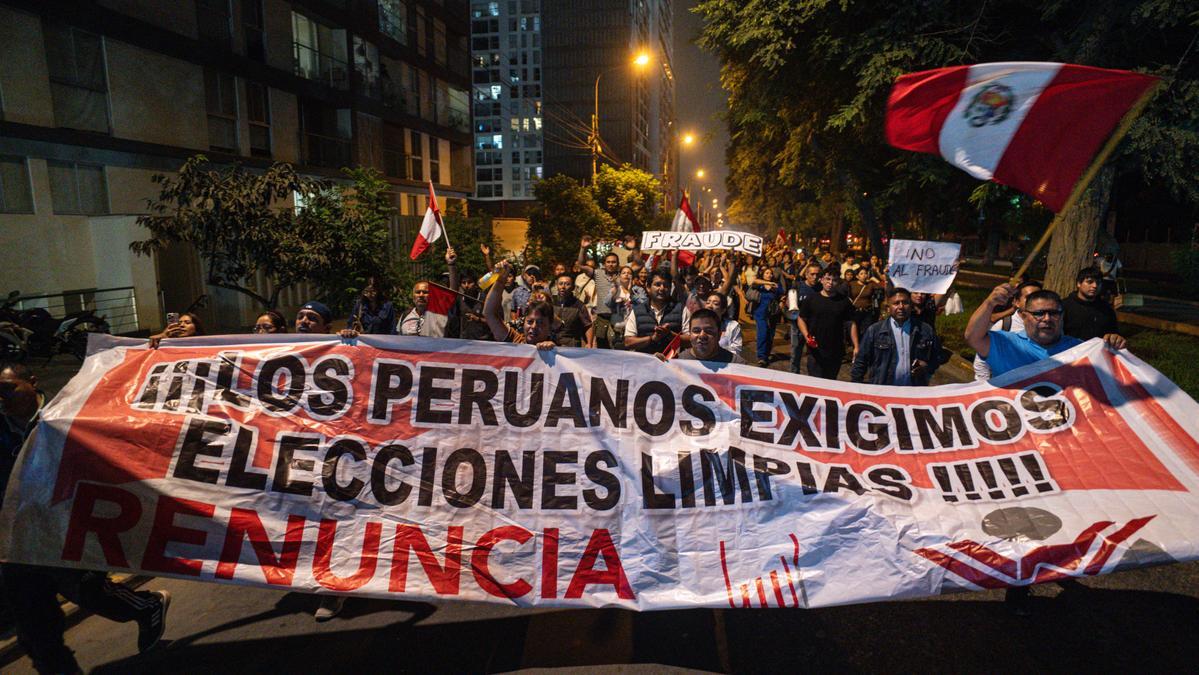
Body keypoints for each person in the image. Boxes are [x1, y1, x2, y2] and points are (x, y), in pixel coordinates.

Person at [1, 362, 172, 671]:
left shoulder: (68, 414)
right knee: (35, 629)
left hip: (69, 523)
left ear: (32, 382)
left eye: (7, 388)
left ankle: (145, 606)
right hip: (20, 539)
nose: (2, 398)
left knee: (86, 589)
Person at [965, 284, 1127, 380]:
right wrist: (989, 303)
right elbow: (973, 337)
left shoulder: (1079, 349)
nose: (1047, 319)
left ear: (1062, 316)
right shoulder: (1005, 344)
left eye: (1054, 313)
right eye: (1039, 313)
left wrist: (1114, 346)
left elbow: (1112, 375)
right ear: (1024, 316)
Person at [851, 288, 943, 385]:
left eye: (905, 303)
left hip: (914, 390)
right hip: (883, 390)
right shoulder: (874, 331)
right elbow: (860, 362)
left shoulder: (925, 330)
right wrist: (856, 387)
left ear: (911, 306)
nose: (901, 307)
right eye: (896, 303)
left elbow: (938, 357)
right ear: (888, 308)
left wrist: (926, 366)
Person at [973, 281, 1042, 381]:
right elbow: (981, 362)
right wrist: (984, 385)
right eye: (1029, 297)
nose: (1034, 301)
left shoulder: (1048, 326)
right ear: (1017, 302)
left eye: (1038, 297)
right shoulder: (1004, 326)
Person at [797, 269, 859, 379]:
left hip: (836, 350)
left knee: (830, 381)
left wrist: (856, 346)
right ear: (821, 280)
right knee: (815, 381)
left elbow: (851, 323)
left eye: (834, 280)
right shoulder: (811, 299)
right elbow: (801, 318)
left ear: (838, 282)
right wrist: (807, 336)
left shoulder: (844, 301)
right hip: (815, 349)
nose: (830, 283)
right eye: (827, 279)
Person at [483, 262, 557, 349]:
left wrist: (552, 351)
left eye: (540, 323)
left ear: (550, 327)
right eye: (529, 322)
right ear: (523, 322)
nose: (534, 327)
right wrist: (500, 281)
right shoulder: (515, 341)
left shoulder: (558, 350)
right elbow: (489, 313)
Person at [624, 269, 688, 354]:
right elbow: (628, 342)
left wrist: (670, 335)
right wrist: (651, 338)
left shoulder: (681, 309)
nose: (662, 288)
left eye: (666, 285)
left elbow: (690, 341)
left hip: (672, 361)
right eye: (657, 285)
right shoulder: (637, 311)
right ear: (648, 287)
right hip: (645, 361)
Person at [400, 248, 458, 337]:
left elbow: (452, 293)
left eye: (425, 292)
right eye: (418, 292)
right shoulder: (405, 315)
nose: (421, 295)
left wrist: (451, 264)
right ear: (413, 296)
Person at [577, 237, 621, 348]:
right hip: (602, 319)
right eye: (608, 262)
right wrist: (583, 248)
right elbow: (581, 265)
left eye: (613, 262)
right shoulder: (598, 274)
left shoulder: (624, 276)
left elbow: (638, 265)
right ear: (604, 264)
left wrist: (634, 249)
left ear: (618, 264)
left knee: (618, 348)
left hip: (619, 319)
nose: (611, 264)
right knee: (602, 348)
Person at [661, 308, 747, 364]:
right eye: (696, 331)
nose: (702, 336)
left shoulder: (737, 365)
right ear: (690, 335)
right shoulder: (678, 362)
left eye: (709, 331)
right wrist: (657, 365)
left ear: (719, 335)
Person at [1062, 267, 1119, 341]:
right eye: (1090, 282)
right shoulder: (1064, 306)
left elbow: (1114, 334)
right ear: (1079, 283)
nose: (1095, 286)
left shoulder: (1106, 309)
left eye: (1098, 283)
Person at [787, 263, 821, 374]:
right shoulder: (798, 286)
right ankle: (794, 375)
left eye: (817, 274)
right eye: (812, 274)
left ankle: (813, 376)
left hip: (814, 326)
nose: (815, 277)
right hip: (797, 325)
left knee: (814, 353)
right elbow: (789, 302)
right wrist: (790, 304)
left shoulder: (821, 288)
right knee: (796, 352)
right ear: (806, 275)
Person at [607, 266, 647, 350]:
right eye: (624, 273)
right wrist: (614, 294)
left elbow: (644, 303)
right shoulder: (615, 289)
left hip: (633, 330)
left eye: (629, 273)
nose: (626, 275)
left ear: (633, 276)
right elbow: (607, 304)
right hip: (617, 330)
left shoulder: (638, 290)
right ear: (619, 276)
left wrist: (631, 293)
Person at [750, 267, 784, 367]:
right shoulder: (759, 285)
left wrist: (782, 301)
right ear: (763, 274)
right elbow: (754, 281)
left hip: (773, 313)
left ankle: (766, 353)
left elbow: (782, 295)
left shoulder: (776, 285)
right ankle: (761, 357)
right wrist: (769, 283)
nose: (769, 275)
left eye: (771, 273)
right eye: (767, 273)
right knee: (763, 333)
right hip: (760, 313)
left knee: (770, 335)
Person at [552, 272, 593, 347]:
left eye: (567, 284)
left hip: (571, 344)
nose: (563, 287)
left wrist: (589, 343)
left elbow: (587, 325)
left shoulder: (579, 305)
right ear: (556, 285)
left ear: (573, 287)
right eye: (560, 284)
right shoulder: (550, 301)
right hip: (551, 343)